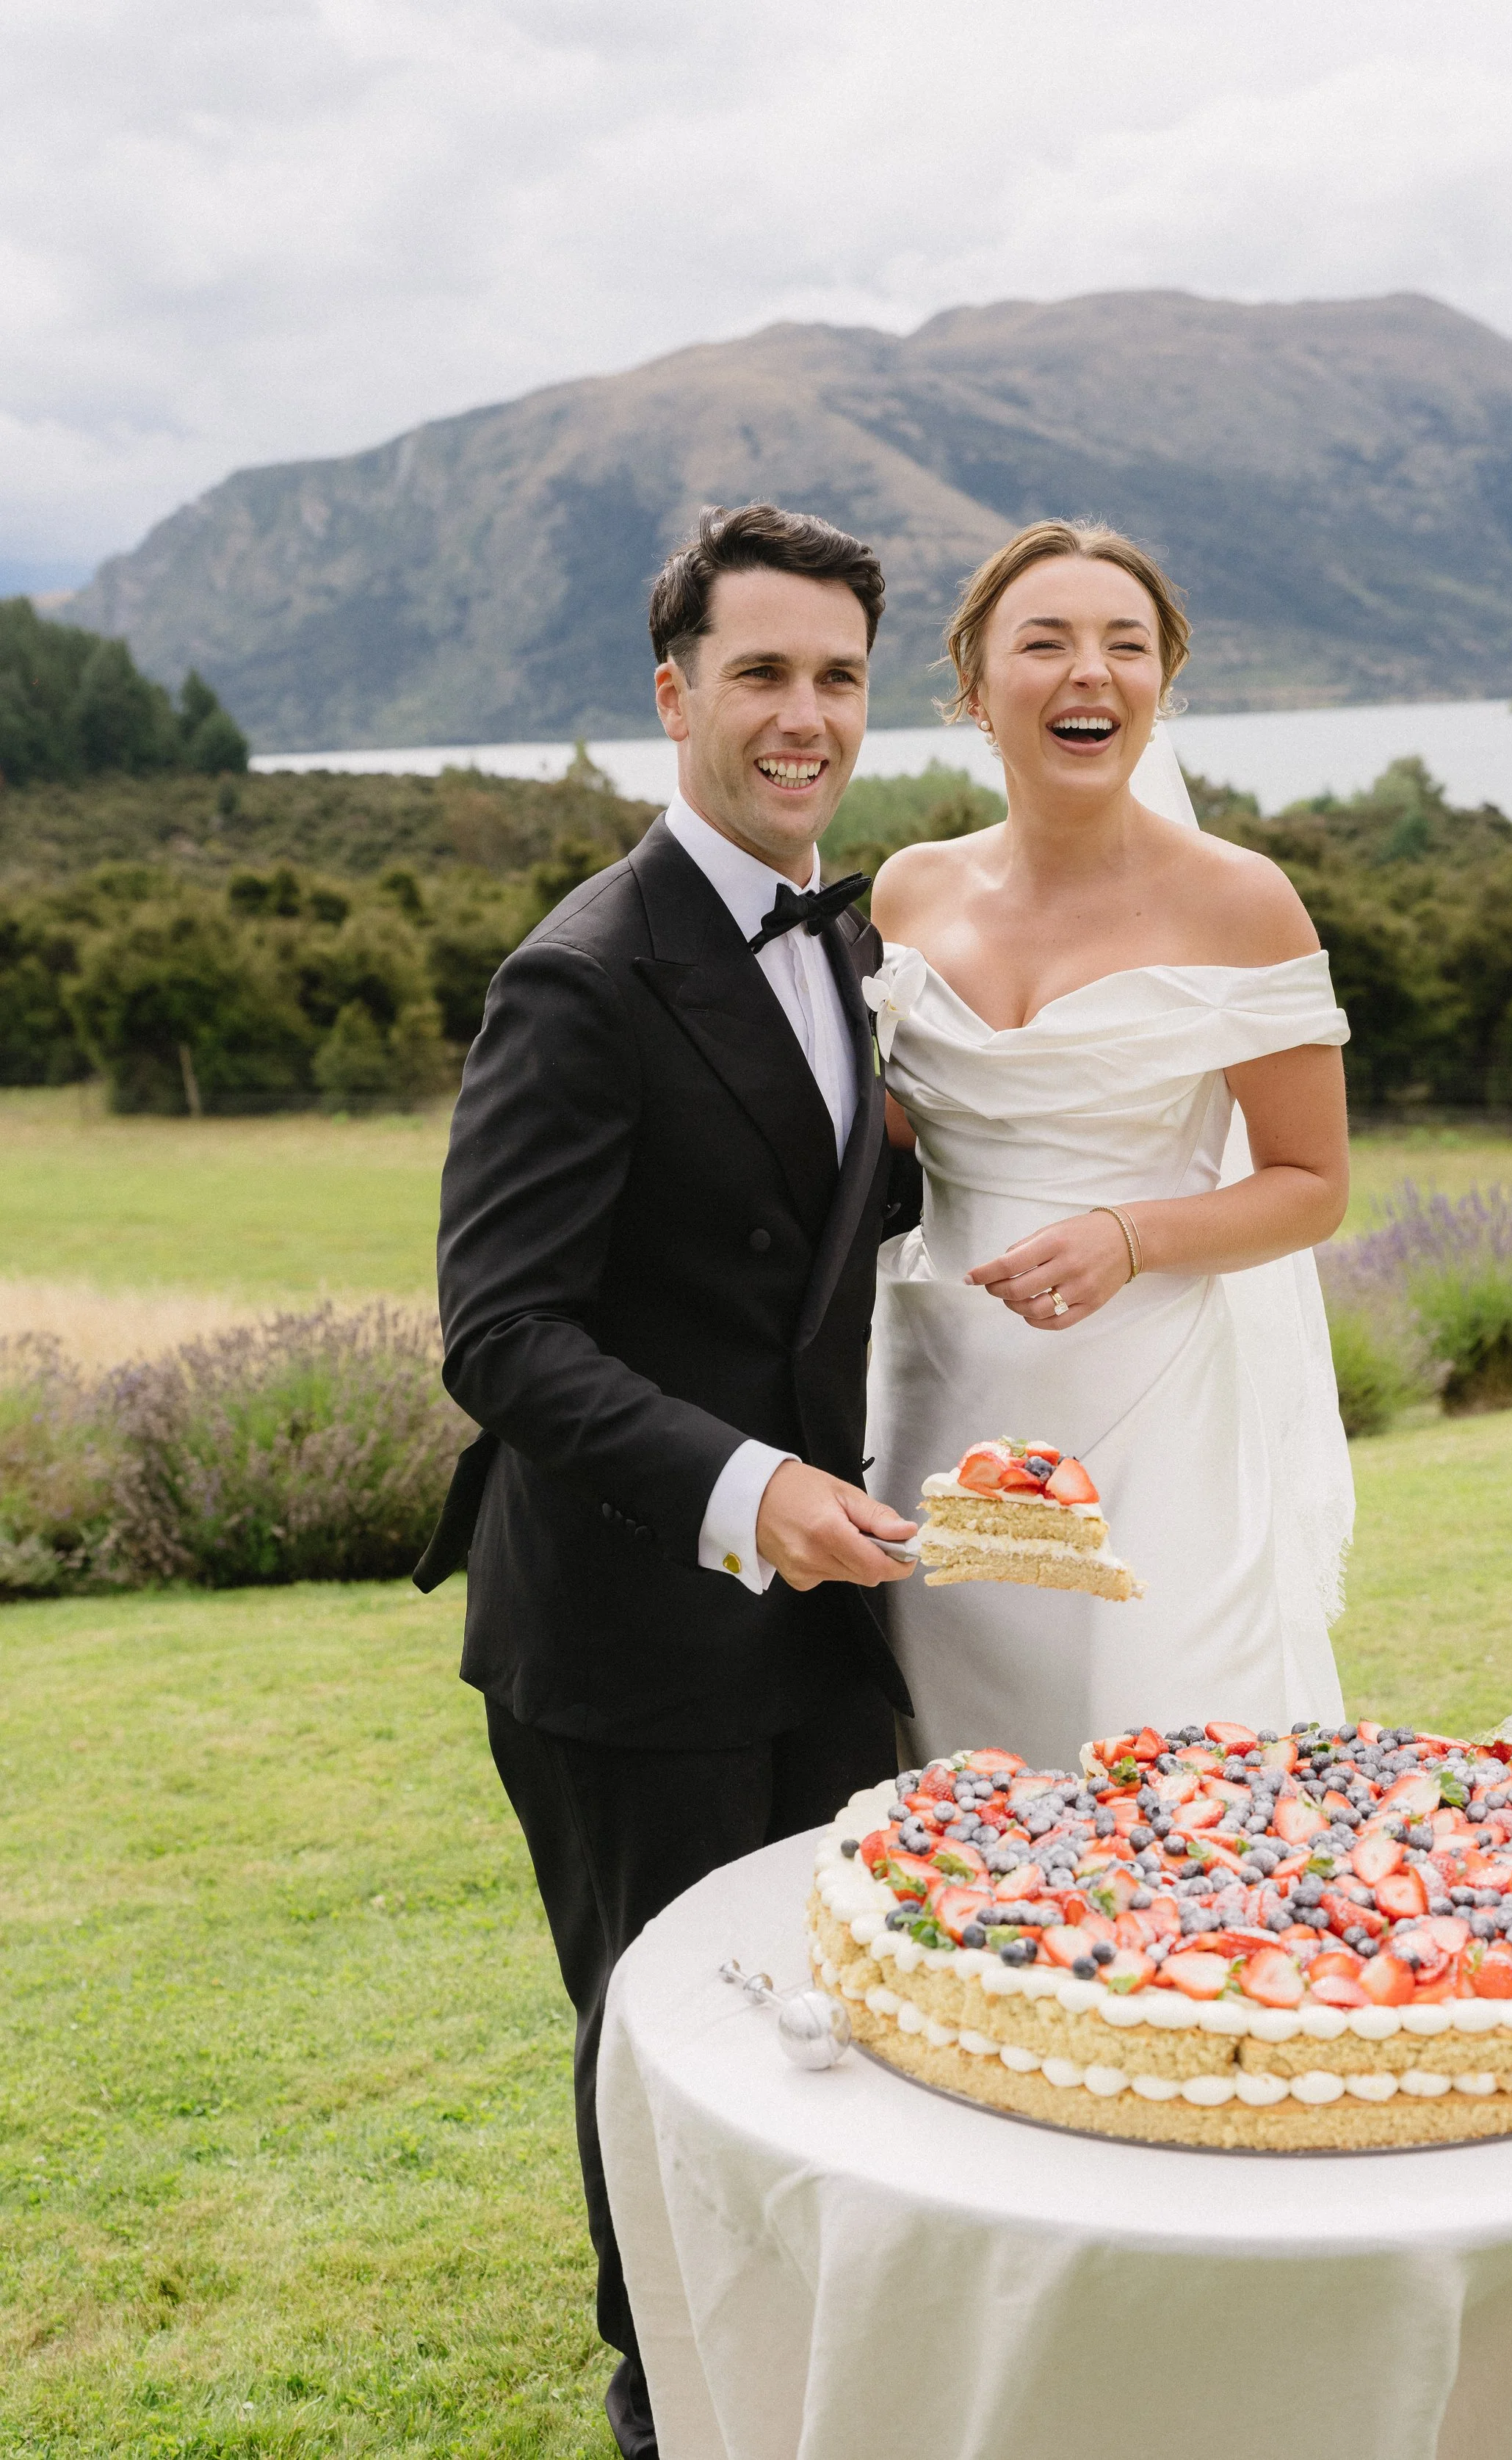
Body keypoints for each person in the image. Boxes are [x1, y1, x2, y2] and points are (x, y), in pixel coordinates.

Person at [420, 502, 918, 2459]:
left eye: (834, 677)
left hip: (829, 1608)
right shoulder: (583, 975)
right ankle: (674, 2411)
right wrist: (744, 1489)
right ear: (673, 694)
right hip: (630, 1630)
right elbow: (502, 1331)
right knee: (667, 2054)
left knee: (826, 2025)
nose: (801, 715)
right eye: (760, 673)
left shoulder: (854, 932)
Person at [864, 518, 1355, 1776]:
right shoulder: (908, 893)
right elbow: (891, 1134)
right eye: (1047, 643)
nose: (1092, 672)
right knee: (966, 1773)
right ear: (976, 691)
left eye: (1126, 646)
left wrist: (1130, 1236)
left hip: (1157, 1417)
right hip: (942, 1401)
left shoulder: (1241, 901)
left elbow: (1311, 1187)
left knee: (1181, 1766)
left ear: (1160, 687)